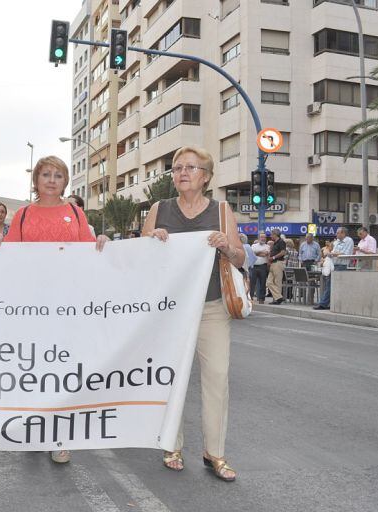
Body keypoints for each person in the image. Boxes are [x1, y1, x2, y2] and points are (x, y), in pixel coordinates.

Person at [0, 156, 107, 464]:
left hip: (68, 303)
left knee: (62, 368)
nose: (52, 179)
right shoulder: (23, 214)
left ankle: (59, 435)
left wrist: (103, 242)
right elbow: (9, 253)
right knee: (35, 367)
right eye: (46, 174)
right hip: (30, 305)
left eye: (58, 174)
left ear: (66, 181)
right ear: (36, 180)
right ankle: (34, 428)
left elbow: (90, 250)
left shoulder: (75, 212)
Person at [141, 145, 244, 482]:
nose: (182, 173)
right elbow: (139, 259)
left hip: (212, 309)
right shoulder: (159, 209)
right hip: (170, 312)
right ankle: (172, 445)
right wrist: (152, 242)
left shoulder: (222, 210)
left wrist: (226, 246)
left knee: (217, 380)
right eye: (176, 167)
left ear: (206, 177)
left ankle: (215, 453)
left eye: (190, 167)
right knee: (173, 382)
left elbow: (241, 258)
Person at [266, 228, 286, 305]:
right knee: (269, 282)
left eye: (271, 234)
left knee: (277, 282)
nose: (271, 236)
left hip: (278, 263)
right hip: (272, 264)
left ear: (275, 234)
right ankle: (279, 297)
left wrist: (273, 257)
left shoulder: (281, 242)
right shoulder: (275, 243)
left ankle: (276, 299)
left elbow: (283, 252)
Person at [313, 243, 335, 310]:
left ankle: (323, 303)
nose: (328, 248)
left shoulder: (332, 254)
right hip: (328, 273)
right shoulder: (329, 255)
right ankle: (326, 303)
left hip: (330, 272)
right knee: (327, 288)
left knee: (328, 288)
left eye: (330, 247)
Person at [250, 233, 270, 305]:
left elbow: (265, 254)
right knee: (252, 283)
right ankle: (250, 297)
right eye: (261, 237)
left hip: (263, 267)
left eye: (264, 237)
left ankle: (261, 298)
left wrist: (257, 253)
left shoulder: (267, 246)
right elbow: (252, 254)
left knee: (262, 283)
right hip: (254, 267)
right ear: (258, 238)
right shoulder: (253, 245)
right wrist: (260, 253)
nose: (263, 239)